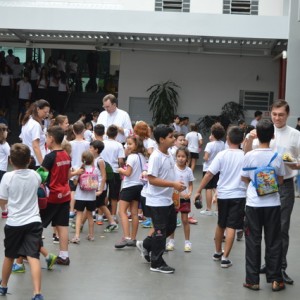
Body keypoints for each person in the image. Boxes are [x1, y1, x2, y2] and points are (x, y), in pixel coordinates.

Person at [244, 100, 300, 285]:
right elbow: (246, 156)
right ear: (270, 114)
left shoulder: (295, 135)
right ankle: (269, 266)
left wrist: (292, 162)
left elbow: (298, 161)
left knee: (280, 229)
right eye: (274, 114)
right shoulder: (263, 130)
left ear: (288, 115)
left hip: (283, 185)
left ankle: (279, 268)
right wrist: (249, 139)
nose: (277, 118)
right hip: (259, 186)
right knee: (262, 231)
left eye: (281, 115)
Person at [241, 119, 285, 291]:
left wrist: (255, 183)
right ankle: (276, 280)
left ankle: (252, 280)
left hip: (253, 204)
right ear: (273, 136)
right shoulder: (277, 157)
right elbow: (280, 181)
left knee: (253, 240)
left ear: (257, 136)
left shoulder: (249, 156)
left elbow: (244, 178)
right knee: (274, 240)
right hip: (273, 204)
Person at [136, 124, 185, 274]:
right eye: (170, 137)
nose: (173, 139)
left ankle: (145, 245)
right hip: (157, 201)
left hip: (167, 199)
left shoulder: (170, 153)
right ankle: (156, 262)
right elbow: (151, 179)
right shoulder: (156, 157)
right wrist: (173, 184)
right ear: (161, 139)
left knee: (169, 227)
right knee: (160, 231)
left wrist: (176, 188)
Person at [195, 126, 246, 268]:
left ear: (227, 139)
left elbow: (209, 174)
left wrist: (198, 190)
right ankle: (225, 258)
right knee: (231, 227)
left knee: (221, 224)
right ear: (242, 140)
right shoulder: (245, 156)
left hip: (223, 195)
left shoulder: (222, 155)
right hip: (239, 195)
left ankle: (217, 252)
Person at [0, 143, 44, 300]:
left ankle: (3, 286)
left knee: (9, 256)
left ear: (11, 160)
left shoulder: (7, 177)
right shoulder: (35, 175)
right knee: (33, 257)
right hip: (34, 221)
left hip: (14, 223)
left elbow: (2, 200)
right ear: (29, 160)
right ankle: (37, 293)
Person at [40, 126, 79, 266]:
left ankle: (30, 252)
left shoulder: (49, 157)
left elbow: (42, 177)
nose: (45, 140)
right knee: (62, 226)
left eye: (46, 137)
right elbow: (68, 175)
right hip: (65, 195)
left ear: (51, 139)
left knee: (37, 224)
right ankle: (64, 256)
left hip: (52, 196)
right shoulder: (66, 155)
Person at [115, 135, 147, 248]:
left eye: (130, 144)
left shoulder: (131, 157)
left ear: (136, 145)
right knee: (134, 213)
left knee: (121, 212)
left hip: (129, 187)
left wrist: (120, 169)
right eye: (127, 144)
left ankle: (126, 237)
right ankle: (133, 238)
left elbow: (128, 173)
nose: (127, 146)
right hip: (139, 186)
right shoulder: (142, 157)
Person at [166, 147, 195, 252]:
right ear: (176, 157)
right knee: (172, 221)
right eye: (179, 156)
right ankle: (171, 241)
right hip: (174, 198)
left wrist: (190, 192)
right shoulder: (173, 168)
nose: (181, 158)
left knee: (185, 220)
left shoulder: (189, 170)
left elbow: (191, 184)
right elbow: (170, 183)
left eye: (183, 156)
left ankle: (187, 242)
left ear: (187, 158)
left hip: (185, 199)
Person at [89, 140, 118, 231]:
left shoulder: (100, 161)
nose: (89, 149)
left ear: (96, 150)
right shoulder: (93, 159)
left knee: (93, 206)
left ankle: (80, 224)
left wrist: (101, 189)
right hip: (95, 187)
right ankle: (112, 222)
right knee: (100, 205)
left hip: (100, 188)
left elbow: (104, 176)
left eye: (91, 148)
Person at [71, 151, 97, 243]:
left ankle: (77, 236)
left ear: (82, 159)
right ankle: (91, 235)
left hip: (80, 196)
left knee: (79, 215)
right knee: (90, 216)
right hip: (91, 196)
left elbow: (74, 182)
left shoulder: (80, 169)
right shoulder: (95, 169)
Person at [100, 125, 125, 222]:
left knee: (103, 193)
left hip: (103, 171)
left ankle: (100, 215)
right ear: (116, 135)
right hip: (114, 171)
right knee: (114, 195)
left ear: (106, 133)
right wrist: (120, 167)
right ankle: (113, 215)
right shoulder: (119, 145)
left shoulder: (102, 143)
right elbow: (121, 160)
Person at [201, 123, 225, 216]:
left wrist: (204, 157)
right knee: (216, 188)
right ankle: (218, 210)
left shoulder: (209, 144)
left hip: (208, 168)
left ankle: (208, 209)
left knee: (208, 188)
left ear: (213, 134)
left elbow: (206, 157)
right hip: (218, 169)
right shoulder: (222, 143)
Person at [19, 100, 50, 167]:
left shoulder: (27, 120)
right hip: (36, 161)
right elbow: (35, 146)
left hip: (27, 159)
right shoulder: (36, 125)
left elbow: (22, 139)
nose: (47, 114)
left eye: (48, 112)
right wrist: (43, 164)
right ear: (38, 109)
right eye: (45, 112)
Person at [0, 124, 9, 219]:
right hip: (1, 169)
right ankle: (4, 210)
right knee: (2, 192)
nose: (7, 133)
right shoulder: (4, 145)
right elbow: (11, 154)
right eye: (5, 131)